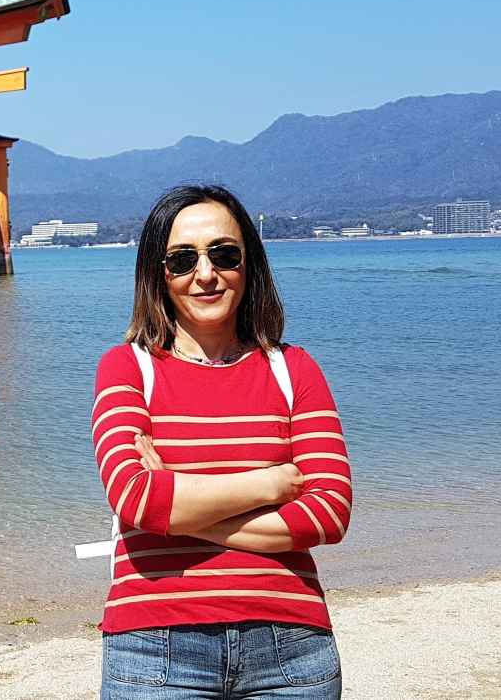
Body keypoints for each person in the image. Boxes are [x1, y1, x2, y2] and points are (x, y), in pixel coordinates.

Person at [92, 184, 352, 699]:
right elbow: (135, 497)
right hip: (154, 648)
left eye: (224, 254)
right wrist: (271, 482)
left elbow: (328, 513)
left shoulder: (292, 369)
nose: (205, 274)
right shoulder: (127, 367)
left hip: (292, 648)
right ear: (156, 273)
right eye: (182, 259)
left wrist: (180, 506)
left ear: (249, 264)